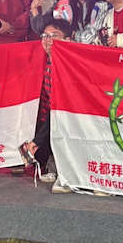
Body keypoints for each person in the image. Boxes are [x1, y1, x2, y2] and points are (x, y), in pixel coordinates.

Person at [22, 19, 72, 183]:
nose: (48, 40)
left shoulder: (71, 65)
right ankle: (46, 159)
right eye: (45, 36)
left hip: (70, 117)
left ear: (68, 40)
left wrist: (38, 140)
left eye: (54, 35)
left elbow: (64, 102)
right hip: (49, 119)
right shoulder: (44, 62)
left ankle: (38, 149)